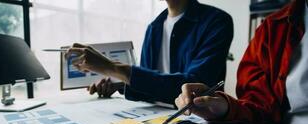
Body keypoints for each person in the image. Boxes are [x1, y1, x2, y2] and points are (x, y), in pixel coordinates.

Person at [175, 0, 308, 124]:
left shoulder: (216, 19)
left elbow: (198, 76)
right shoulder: (272, 28)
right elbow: (259, 107)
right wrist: (226, 108)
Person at [66, 0, 233, 104]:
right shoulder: (154, 27)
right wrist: (122, 85)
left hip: (200, 119)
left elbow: (195, 88)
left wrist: (114, 68)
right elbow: (152, 86)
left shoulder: (217, 21)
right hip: (156, 118)